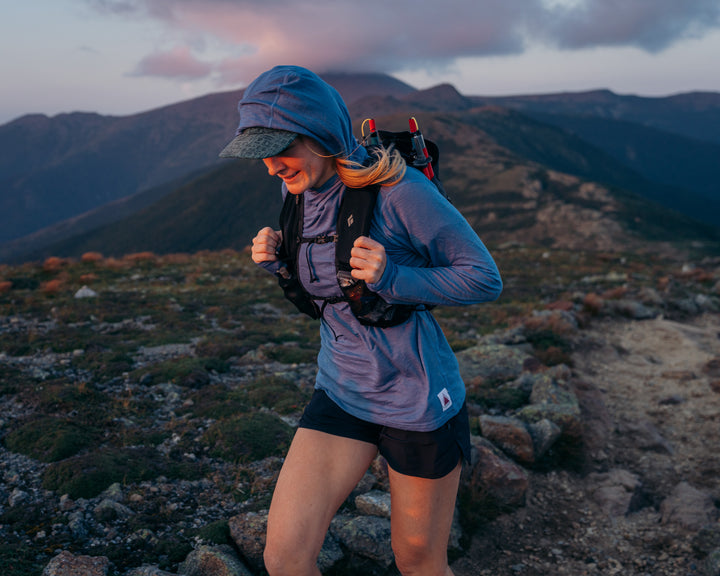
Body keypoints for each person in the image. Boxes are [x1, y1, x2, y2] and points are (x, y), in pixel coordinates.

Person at [219, 65, 502, 576]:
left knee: (417, 562)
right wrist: (280, 264)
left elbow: (484, 278)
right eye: (260, 151)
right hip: (342, 389)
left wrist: (394, 276)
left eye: (280, 148)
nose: (270, 167)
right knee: (284, 558)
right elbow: (331, 298)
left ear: (321, 134)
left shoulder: (402, 192)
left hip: (417, 402)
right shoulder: (296, 193)